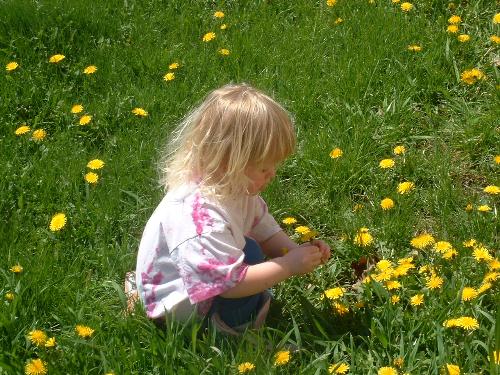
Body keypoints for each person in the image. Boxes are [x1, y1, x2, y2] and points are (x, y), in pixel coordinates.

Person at [134, 83, 330, 334]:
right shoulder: (200, 221)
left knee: (251, 250)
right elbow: (229, 286)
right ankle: (235, 337)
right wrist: (288, 265)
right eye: (263, 168)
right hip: (183, 309)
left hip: (203, 279)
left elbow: (262, 227)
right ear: (230, 163)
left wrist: (296, 251)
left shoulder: (234, 187)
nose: (273, 174)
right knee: (250, 271)